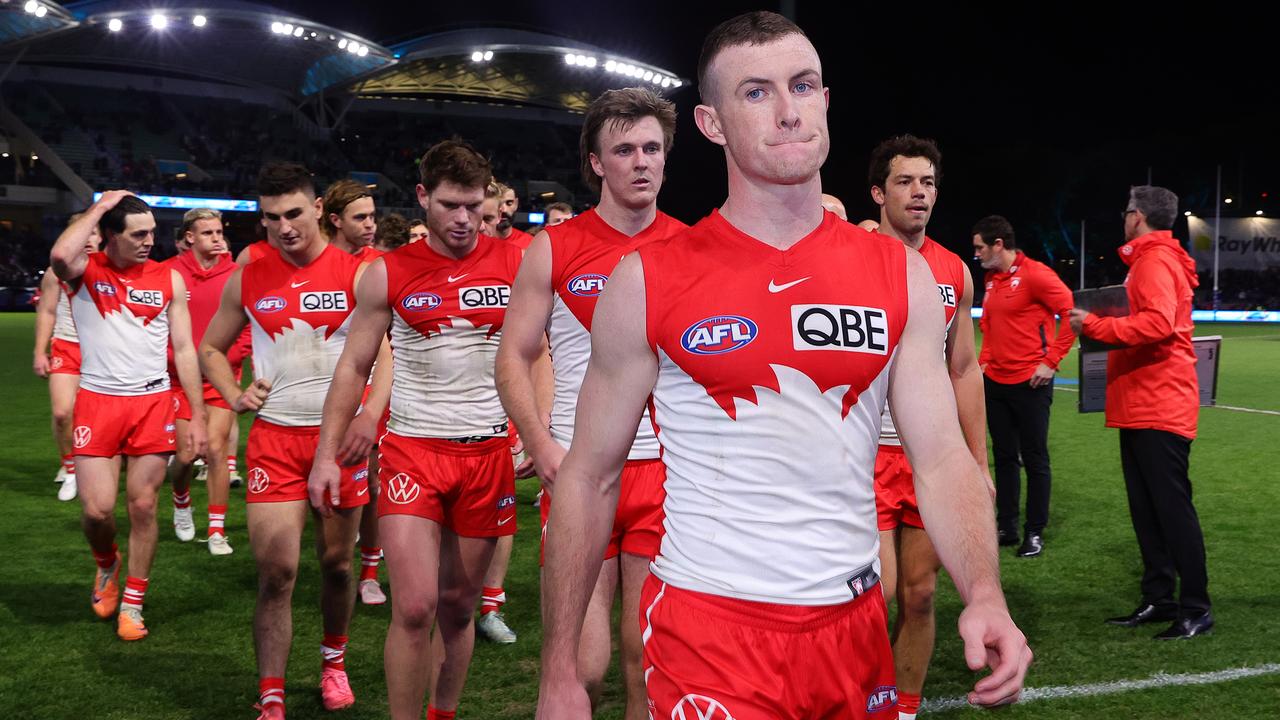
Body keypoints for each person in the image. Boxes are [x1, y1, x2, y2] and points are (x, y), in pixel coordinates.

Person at [537, 12, 1031, 719]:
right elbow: (590, 475)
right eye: (757, 93)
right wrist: (559, 670)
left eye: (803, 85)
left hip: (855, 632)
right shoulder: (649, 280)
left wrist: (986, 593)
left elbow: (943, 456)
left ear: (826, 100)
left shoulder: (902, 276)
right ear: (711, 123)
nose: (790, 110)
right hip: (709, 630)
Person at [308, 139, 520, 720]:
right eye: (451, 204)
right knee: (416, 606)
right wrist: (328, 454)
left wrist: (536, 428)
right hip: (413, 453)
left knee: (456, 607)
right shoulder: (386, 274)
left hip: (487, 454)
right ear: (424, 196)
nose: (463, 219)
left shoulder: (518, 265)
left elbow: (538, 351)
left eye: (475, 206)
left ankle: (442, 713)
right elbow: (355, 366)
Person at [497, 86, 685, 719]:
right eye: (624, 148)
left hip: (669, 476)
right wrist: (538, 440)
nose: (640, 161)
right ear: (597, 162)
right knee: (585, 669)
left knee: (648, 663)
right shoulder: (555, 246)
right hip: (582, 472)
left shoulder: (692, 248)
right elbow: (513, 354)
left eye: (652, 148)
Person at [200, 163, 389, 718]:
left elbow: (387, 353)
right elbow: (211, 348)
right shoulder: (249, 276)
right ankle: (272, 694)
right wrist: (234, 394)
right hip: (276, 441)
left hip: (339, 446)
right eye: (270, 217)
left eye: (293, 214)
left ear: (318, 212)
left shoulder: (357, 274)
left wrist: (369, 414)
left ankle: (333, 663)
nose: (282, 227)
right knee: (277, 571)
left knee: (336, 566)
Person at [867, 134, 991, 720]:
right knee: (876, 594)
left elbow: (963, 369)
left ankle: (902, 709)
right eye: (904, 182)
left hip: (927, 460)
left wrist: (978, 463)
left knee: (919, 595)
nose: (919, 193)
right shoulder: (851, 254)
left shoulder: (953, 272)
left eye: (929, 183)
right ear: (877, 193)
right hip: (861, 453)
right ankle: (860, 701)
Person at [50, 191, 208, 641]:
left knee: (141, 505)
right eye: (137, 234)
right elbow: (61, 252)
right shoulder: (85, 271)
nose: (148, 241)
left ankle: (134, 604)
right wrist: (98, 208)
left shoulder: (168, 278)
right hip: (97, 403)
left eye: (152, 232)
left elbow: (182, 349)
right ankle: (107, 564)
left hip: (152, 403)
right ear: (108, 237)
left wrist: (194, 415)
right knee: (98, 512)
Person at [1068, 185, 1211, 641]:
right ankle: (1160, 597)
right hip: (1142, 402)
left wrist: (1092, 324)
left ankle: (1196, 607)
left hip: (1159, 402)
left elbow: (1158, 323)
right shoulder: (1154, 259)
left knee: (1171, 511)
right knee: (1148, 512)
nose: (1124, 217)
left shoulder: (1153, 261)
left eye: (1127, 210)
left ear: (1138, 216)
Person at [972, 214, 1076, 556]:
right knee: (1003, 457)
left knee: (1035, 458)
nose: (976, 255)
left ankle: (1035, 531)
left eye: (980, 248)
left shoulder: (1037, 275)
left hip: (1031, 383)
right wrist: (984, 360)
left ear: (998, 244)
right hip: (996, 382)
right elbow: (987, 325)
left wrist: (1051, 362)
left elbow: (1072, 317)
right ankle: (1008, 526)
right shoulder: (990, 279)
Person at [162, 208, 241, 555]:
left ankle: (216, 529)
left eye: (219, 232)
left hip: (221, 375)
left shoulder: (236, 274)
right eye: (208, 233)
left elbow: (250, 319)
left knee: (215, 449)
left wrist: (236, 355)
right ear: (189, 238)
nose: (217, 238)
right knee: (187, 451)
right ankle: (181, 500)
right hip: (179, 378)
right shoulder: (169, 273)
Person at [33, 214, 99, 502]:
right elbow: (47, 311)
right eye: (82, 233)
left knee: (98, 417)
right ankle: (70, 469)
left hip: (102, 351)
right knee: (62, 413)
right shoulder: (55, 273)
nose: (89, 239)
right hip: (66, 346)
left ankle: (93, 464)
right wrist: (39, 351)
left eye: (94, 233)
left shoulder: (112, 269)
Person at [322, 178, 380, 261]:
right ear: (336, 220)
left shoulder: (384, 264)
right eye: (360, 217)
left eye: (372, 216)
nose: (370, 224)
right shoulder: (310, 262)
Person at [495, 183, 535, 249]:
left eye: (509, 203)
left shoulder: (530, 243)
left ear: (516, 204)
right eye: (498, 203)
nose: (503, 210)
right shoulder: (476, 242)